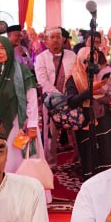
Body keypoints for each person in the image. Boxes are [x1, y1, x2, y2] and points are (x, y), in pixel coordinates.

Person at [0, 36, 43, 173]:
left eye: (2, 48)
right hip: (0, 126)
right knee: (5, 161)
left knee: (20, 162)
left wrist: (33, 124)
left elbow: (32, 98)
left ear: (9, 50)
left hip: (21, 124)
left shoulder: (22, 71)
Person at [65, 46, 111, 178]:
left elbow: (106, 94)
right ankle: (92, 185)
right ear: (80, 61)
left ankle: (108, 181)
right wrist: (90, 90)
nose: (91, 65)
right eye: (87, 61)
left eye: (94, 61)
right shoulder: (73, 78)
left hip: (103, 118)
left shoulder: (97, 74)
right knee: (90, 156)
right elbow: (72, 101)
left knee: (107, 152)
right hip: (85, 121)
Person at [35, 26, 77, 164]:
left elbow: (76, 75)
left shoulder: (71, 55)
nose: (55, 40)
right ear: (46, 41)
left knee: (74, 130)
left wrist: (69, 96)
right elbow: (42, 80)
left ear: (63, 39)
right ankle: (51, 162)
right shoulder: (41, 58)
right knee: (50, 133)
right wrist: (59, 96)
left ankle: (78, 157)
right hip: (52, 99)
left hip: (71, 97)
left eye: (58, 37)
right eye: (51, 37)